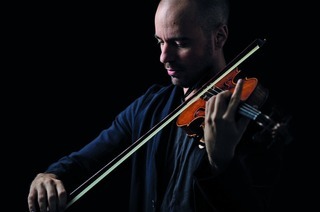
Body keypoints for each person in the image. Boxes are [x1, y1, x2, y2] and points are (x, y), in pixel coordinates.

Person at [27, 0, 292, 211]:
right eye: (160, 42)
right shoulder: (147, 108)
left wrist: (222, 164)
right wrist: (50, 175)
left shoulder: (254, 119)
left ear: (219, 37)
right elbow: (84, 161)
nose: (164, 57)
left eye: (180, 43)